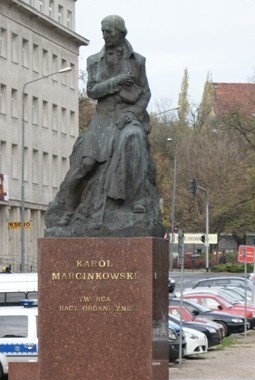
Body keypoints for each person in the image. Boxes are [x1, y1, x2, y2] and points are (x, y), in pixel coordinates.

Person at [46, 15, 160, 236]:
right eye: (103, 32)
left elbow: (145, 93)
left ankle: (136, 200)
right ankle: (68, 209)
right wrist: (116, 82)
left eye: (109, 31)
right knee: (86, 164)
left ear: (120, 33)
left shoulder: (138, 61)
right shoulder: (94, 61)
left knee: (133, 139)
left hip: (127, 116)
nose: (105, 35)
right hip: (103, 118)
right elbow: (92, 91)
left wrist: (133, 113)